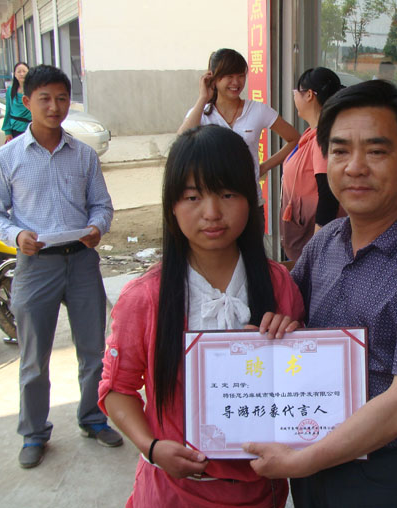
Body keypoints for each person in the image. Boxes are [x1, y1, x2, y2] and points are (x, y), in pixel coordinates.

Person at [243, 80, 397, 507]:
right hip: (310, 446)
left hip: (384, 472)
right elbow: (290, 314)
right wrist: (281, 323)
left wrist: (303, 461)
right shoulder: (326, 241)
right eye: (340, 150)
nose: (354, 167)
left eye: (376, 151)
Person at [98, 125, 305, 507]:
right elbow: (117, 389)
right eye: (193, 197)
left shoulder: (278, 284)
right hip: (172, 493)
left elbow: (302, 386)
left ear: (250, 198)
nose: (212, 213)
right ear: (172, 206)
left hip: (261, 492)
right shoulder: (145, 298)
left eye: (227, 194)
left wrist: (296, 343)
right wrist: (152, 446)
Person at [0, 64, 121, 469]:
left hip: (82, 262)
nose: (55, 107)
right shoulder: (8, 158)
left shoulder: (83, 155)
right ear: (26, 101)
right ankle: (34, 433)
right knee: (35, 359)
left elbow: (101, 205)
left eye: (62, 98)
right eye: (45, 99)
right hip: (35, 266)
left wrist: (96, 227)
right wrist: (16, 235)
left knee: (94, 351)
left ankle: (93, 418)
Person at [178, 48, 299, 228]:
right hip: (213, 207)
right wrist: (203, 98)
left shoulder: (257, 110)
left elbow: (295, 139)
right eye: (229, 76)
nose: (236, 82)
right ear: (213, 78)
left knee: (252, 247)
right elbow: (181, 142)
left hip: (250, 203)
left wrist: (263, 166)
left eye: (241, 76)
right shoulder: (202, 113)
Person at [281, 67, 344, 261]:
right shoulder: (312, 133)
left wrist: (316, 250)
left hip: (313, 248)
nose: (294, 97)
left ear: (309, 95)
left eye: (296, 92)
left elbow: (328, 195)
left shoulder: (321, 139)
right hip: (303, 241)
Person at [2, 62, 31, 142]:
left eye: (24, 71)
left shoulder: (34, 90)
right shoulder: (10, 90)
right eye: (19, 72)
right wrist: (7, 131)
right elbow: (8, 111)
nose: (22, 74)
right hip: (15, 129)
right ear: (15, 74)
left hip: (30, 129)